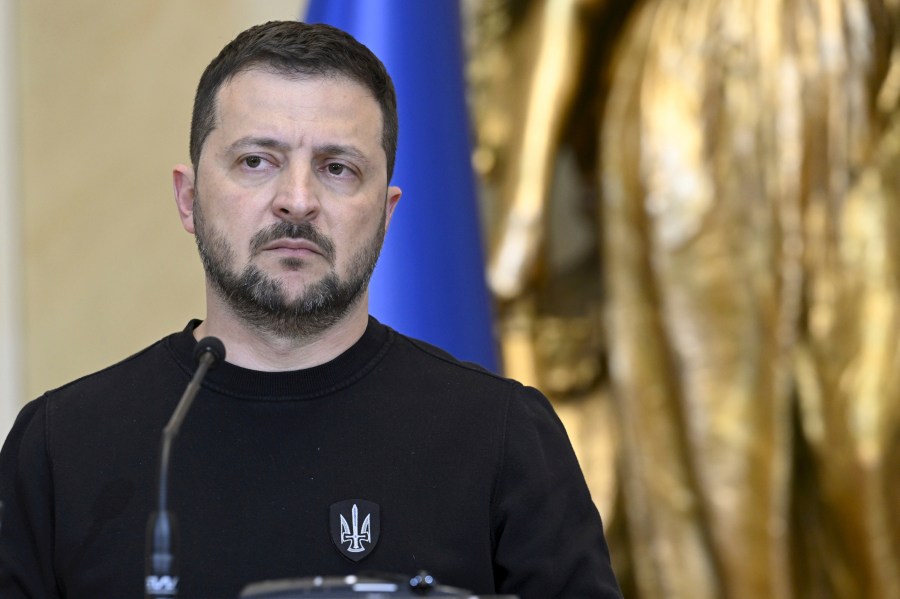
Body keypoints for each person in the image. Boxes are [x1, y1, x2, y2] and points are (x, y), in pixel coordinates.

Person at [0, 20, 622, 599]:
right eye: (256, 161)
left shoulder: (503, 437)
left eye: (337, 168)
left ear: (387, 212)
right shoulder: (61, 447)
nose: (297, 201)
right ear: (188, 199)